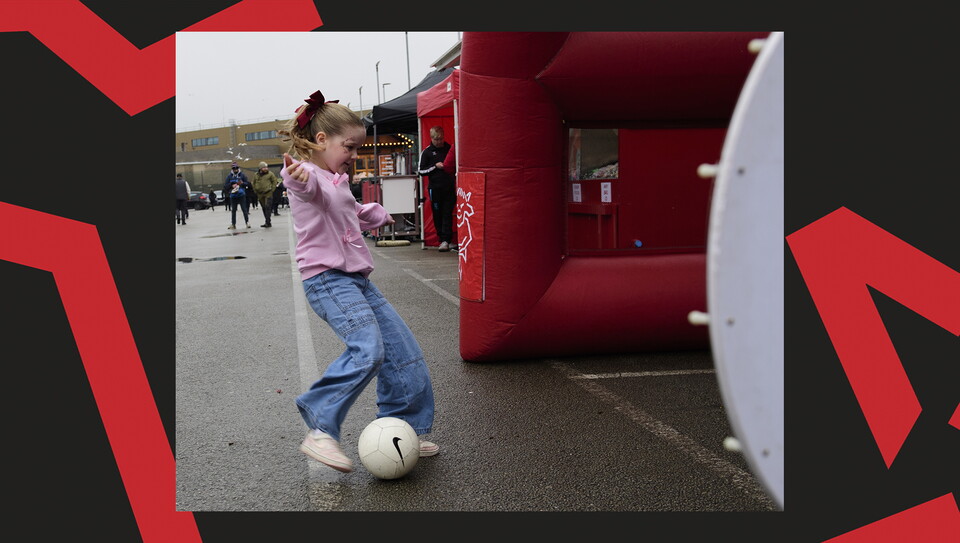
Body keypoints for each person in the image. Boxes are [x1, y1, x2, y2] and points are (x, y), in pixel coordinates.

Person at [277, 90, 438, 473]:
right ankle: (320, 423)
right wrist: (295, 177)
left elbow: (347, 209)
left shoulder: (336, 179)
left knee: (403, 351)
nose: (353, 155)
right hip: (327, 279)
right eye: (349, 146)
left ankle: (406, 428)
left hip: (355, 280)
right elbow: (307, 190)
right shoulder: (310, 177)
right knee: (368, 349)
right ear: (320, 141)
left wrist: (375, 213)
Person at [418, 125, 457, 251]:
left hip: (449, 187)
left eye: (440, 139)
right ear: (432, 138)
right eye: (436, 140)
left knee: (447, 213)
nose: (439, 142)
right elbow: (421, 171)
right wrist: (435, 166)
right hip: (435, 188)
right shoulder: (427, 152)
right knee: (438, 214)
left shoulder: (449, 148)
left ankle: (447, 240)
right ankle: (442, 239)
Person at [224, 162, 252, 229]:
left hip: (241, 194)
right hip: (233, 195)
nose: (235, 169)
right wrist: (231, 185)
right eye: (234, 168)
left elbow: (247, 183)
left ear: (238, 168)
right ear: (232, 169)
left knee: (244, 209)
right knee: (233, 210)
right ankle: (233, 224)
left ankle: (247, 222)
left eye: (236, 168)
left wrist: (242, 183)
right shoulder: (229, 176)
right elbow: (225, 186)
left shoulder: (242, 175)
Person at [252, 161, 279, 227]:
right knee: (264, 208)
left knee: (268, 207)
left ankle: (268, 222)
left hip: (268, 193)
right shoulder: (256, 175)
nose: (266, 169)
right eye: (264, 167)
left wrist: (272, 189)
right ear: (260, 168)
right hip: (260, 194)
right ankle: (267, 221)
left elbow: (274, 181)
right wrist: (255, 190)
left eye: (266, 167)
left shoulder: (270, 174)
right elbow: (253, 182)